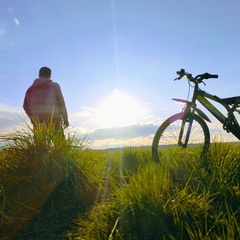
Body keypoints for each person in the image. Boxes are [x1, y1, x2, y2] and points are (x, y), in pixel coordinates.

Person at [23, 66, 69, 137]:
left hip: (38, 124)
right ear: (50, 75)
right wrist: (65, 118)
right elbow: (61, 102)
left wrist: (33, 120)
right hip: (54, 121)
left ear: (39, 75)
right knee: (59, 146)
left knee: (40, 147)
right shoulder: (54, 86)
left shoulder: (29, 90)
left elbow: (25, 106)